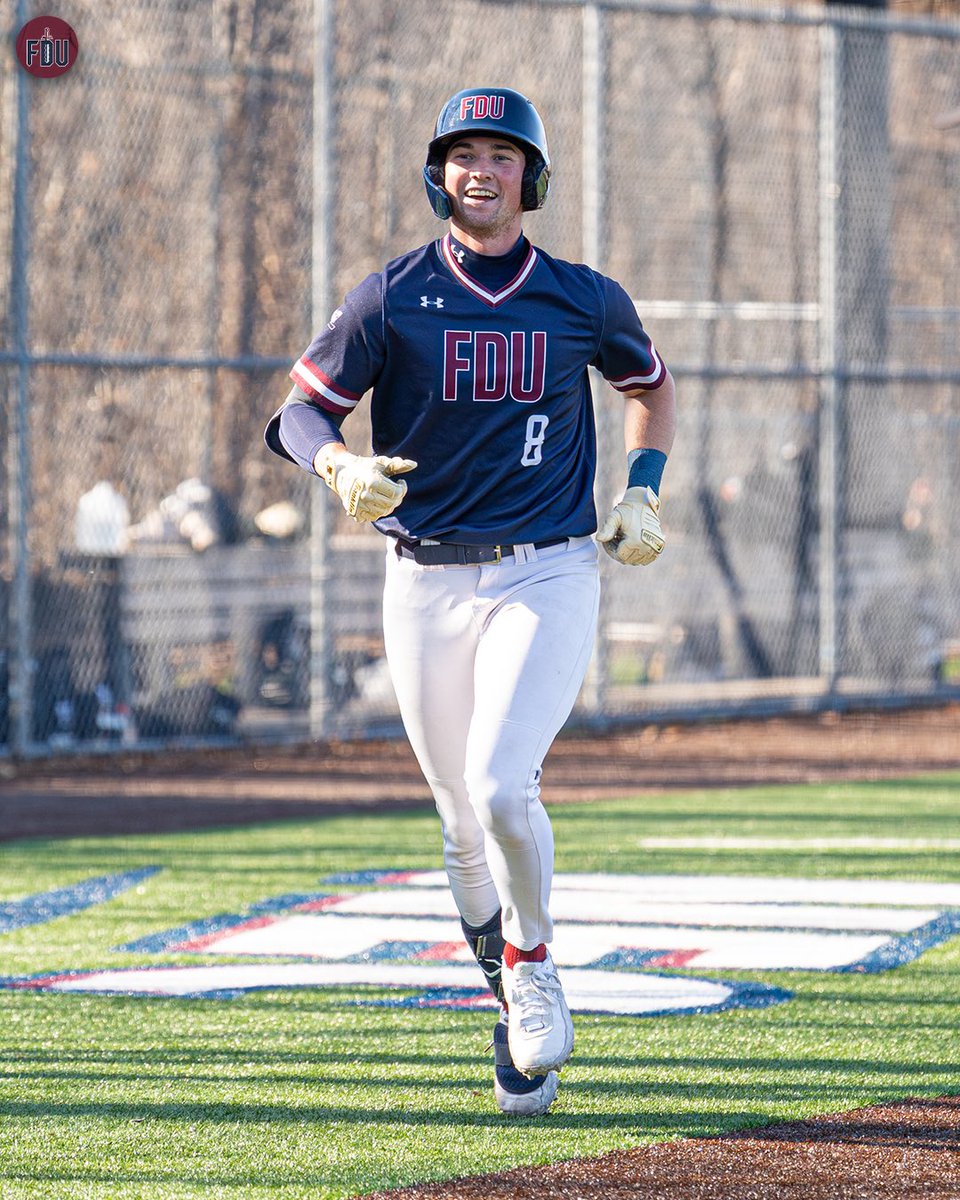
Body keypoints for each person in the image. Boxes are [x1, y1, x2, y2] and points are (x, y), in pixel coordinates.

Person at [265, 86, 676, 1116]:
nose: (480, 169)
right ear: (438, 172)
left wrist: (642, 487)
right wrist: (336, 470)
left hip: (546, 565)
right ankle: (509, 1001)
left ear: (529, 177)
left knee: (501, 788)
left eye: (500, 153)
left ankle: (533, 963)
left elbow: (650, 384)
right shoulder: (392, 293)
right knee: (457, 823)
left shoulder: (582, 296)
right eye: (462, 153)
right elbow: (300, 412)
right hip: (423, 576)